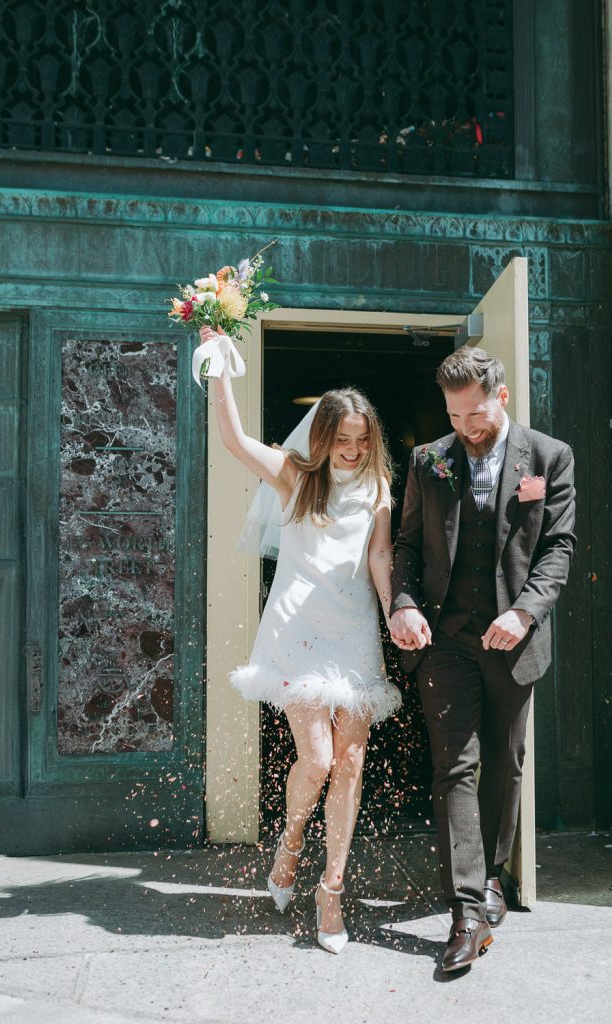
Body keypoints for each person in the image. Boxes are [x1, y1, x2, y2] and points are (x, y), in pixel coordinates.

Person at [199, 326, 401, 955]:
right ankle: (289, 846)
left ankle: (331, 890)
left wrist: (395, 613)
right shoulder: (293, 476)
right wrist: (219, 365)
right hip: (298, 630)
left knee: (352, 761)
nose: (351, 450)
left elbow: (381, 557)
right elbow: (232, 440)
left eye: (361, 441)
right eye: (341, 440)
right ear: (321, 438)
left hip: (355, 630)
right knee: (315, 759)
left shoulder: (379, 489)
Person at [389, 345, 575, 972]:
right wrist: (403, 605)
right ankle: (466, 910)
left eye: (476, 416)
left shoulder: (549, 458)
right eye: (455, 417)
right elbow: (407, 546)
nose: (466, 429)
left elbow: (557, 548)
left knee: (505, 759)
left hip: (511, 637)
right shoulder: (427, 460)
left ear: (501, 397)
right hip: (445, 639)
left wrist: (523, 611)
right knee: (455, 767)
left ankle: (493, 871)